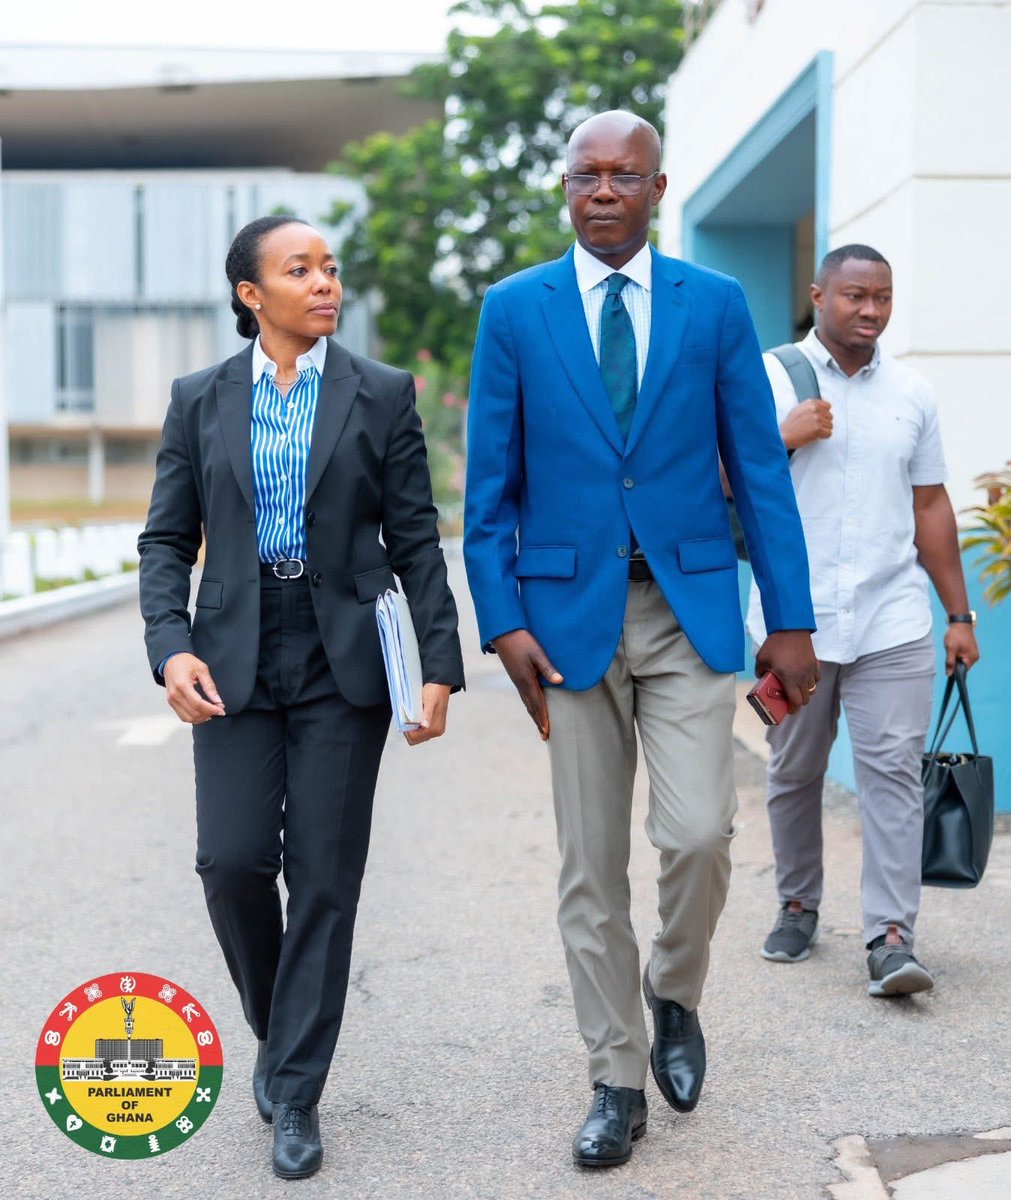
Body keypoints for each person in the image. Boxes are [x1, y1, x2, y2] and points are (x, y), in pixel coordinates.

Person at [463, 111, 819, 1168]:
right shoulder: (513, 310)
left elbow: (758, 468)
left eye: (627, 175)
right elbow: (489, 490)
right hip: (566, 620)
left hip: (689, 609)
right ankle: (615, 1076)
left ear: (660, 189)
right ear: (566, 187)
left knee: (701, 833)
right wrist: (503, 622)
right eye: (587, 175)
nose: (605, 191)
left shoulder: (713, 304)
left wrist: (791, 619)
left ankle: (674, 988)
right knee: (590, 865)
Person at [138, 215, 464, 1180]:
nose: (324, 283)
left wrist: (438, 666)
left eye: (328, 267)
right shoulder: (199, 399)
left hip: (343, 656)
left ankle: (294, 1090)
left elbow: (415, 537)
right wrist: (169, 649)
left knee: (323, 874)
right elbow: (165, 541)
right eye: (299, 270)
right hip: (233, 647)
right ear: (251, 295)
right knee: (230, 863)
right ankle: (281, 1030)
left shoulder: (380, 394)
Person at [748, 244, 980, 996]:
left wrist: (957, 613)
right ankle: (796, 902)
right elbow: (705, 474)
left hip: (891, 620)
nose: (871, 311)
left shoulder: (910, 392)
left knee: (890, 778)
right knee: (794, 770)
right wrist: (778, 436)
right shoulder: (766, 375)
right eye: (855, 296)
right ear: (818, 294)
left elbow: (929, 504)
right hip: (794, 625)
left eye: (881, 297)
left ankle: (890, 935)